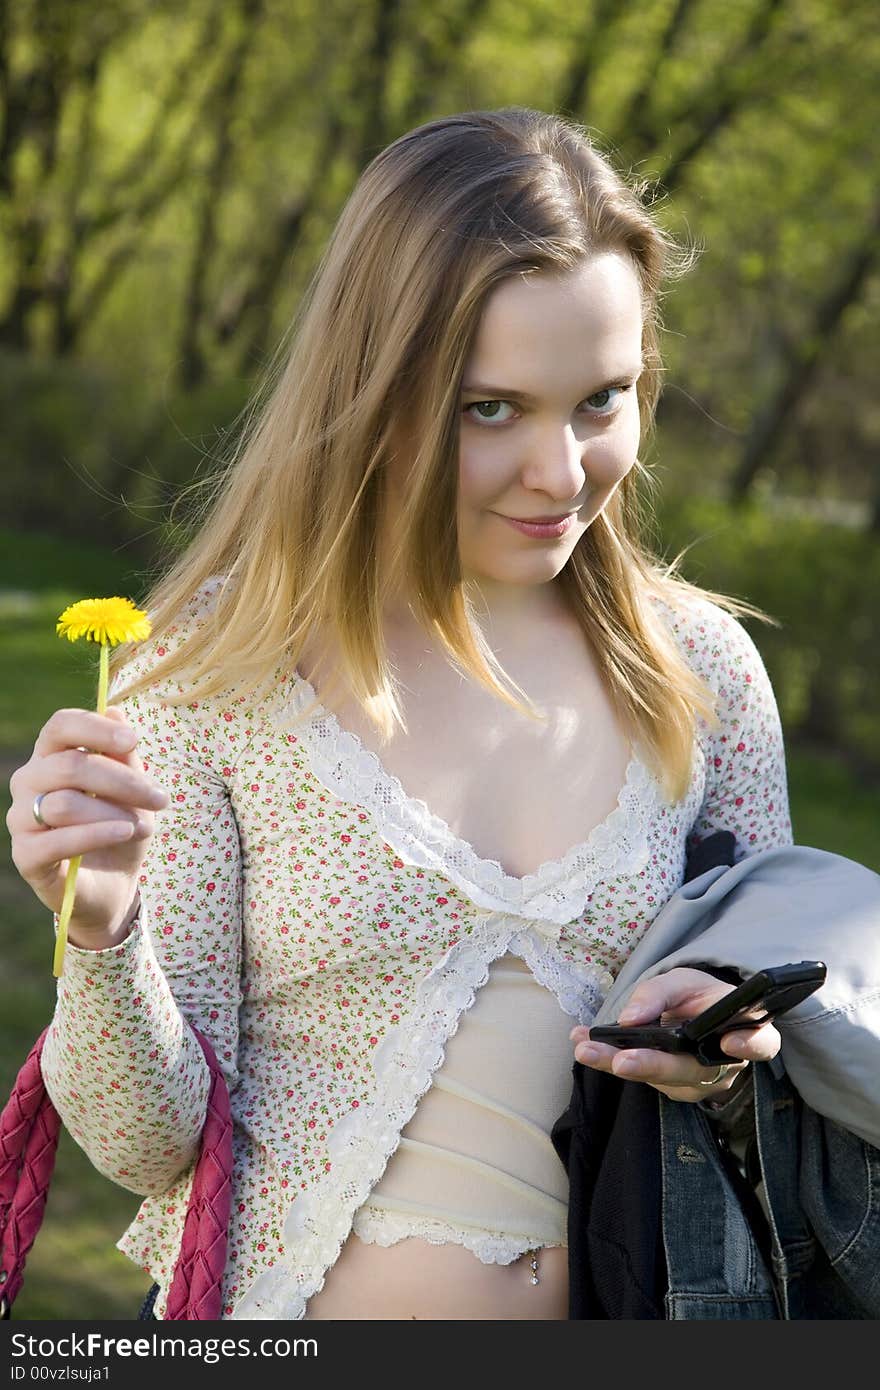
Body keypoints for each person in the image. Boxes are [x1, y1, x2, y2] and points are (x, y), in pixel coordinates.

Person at [7, 106, 793, 1321]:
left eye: (602, 399)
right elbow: (142, 1144)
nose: (560, 469)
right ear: (373, 389)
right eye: (491, 409)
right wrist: (104, 932)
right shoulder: (213, 676)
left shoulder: (702, 672)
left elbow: (787, 1121)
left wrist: (728, 1069)